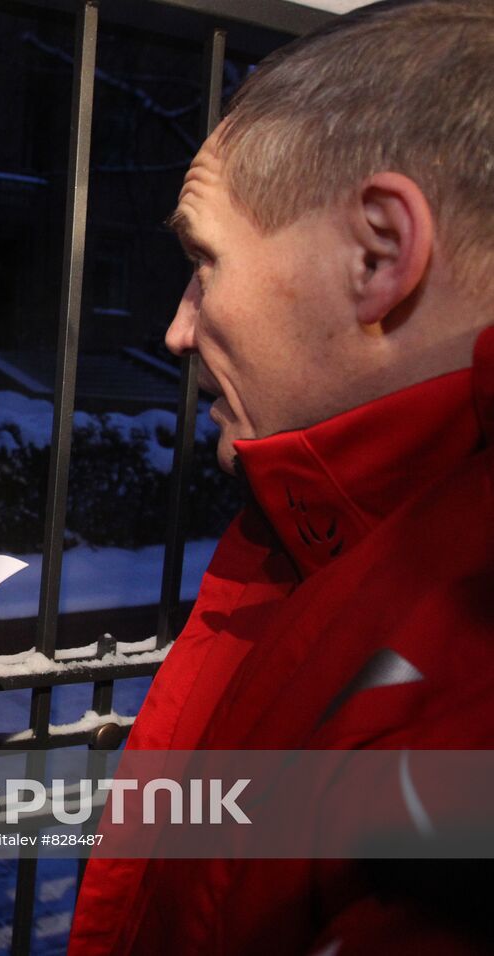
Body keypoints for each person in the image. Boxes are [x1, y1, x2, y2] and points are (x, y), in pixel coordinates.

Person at [68, 2, 494, 953]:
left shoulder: (463, 679)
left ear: (378, 254)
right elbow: (215, 826)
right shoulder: (320, 532)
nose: (179, 329)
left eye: (202, 261)